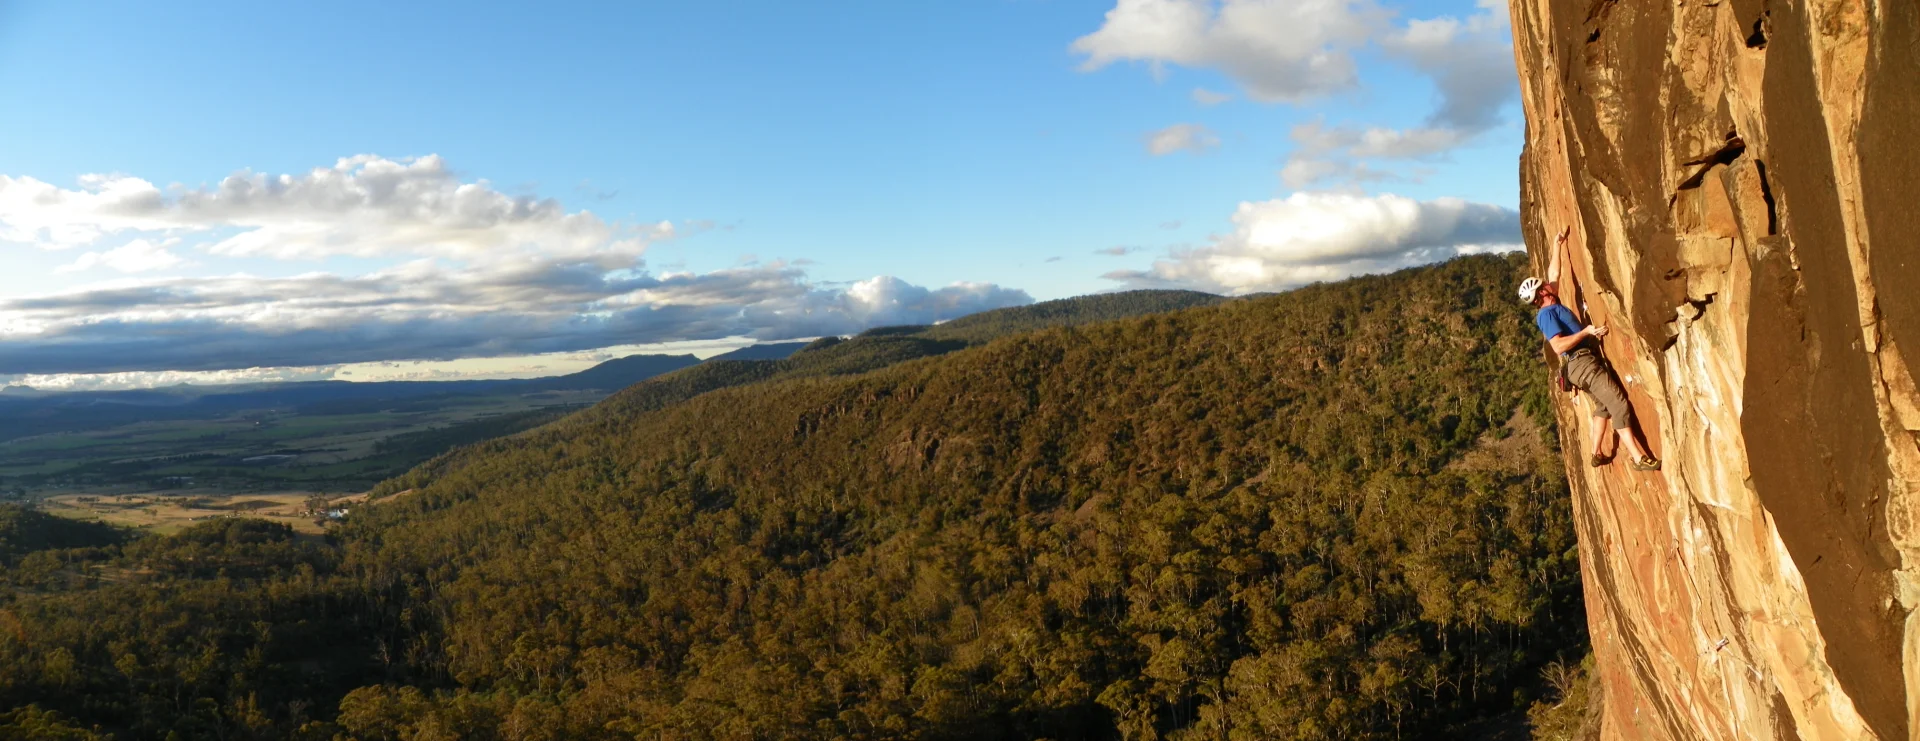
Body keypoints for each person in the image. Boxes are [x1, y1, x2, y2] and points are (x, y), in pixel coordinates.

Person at [1518, 229, 1661, 471]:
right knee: (1618, 403)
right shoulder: (1547, 314)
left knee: (1603, 407)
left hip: (1578, 367)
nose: (1547, 284)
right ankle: (1639, 458)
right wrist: (1586, 332)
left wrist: (1557, 245)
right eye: (1543, 286)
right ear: (1540, 295)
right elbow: (1558, 345)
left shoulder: (1552, 302)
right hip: (1581, 363)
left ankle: (1595, 452)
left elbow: (1555, 273)